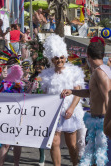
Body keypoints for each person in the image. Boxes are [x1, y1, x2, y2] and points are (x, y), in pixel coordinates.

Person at [62, 38, 111, 166]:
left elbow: (108, 98)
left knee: (101, 160)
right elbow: (91, 93)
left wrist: (107, 126)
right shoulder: (98, 71)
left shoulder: (101, 73)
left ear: (88, 56)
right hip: (96, 122)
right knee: (94, 160)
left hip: (102, 123)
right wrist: (72, 91)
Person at [39, 34, 85, 166]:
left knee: (71, 145)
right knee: (54, 143)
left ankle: (75, 164)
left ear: (65, 57)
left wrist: (71, 108)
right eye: (56, 58)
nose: (59, 60)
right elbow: (44, 95)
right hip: (53, 114)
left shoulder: (74, 72)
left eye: (61, 58)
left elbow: (78, 93)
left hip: (69, 112)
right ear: (52, 60)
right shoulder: (46, 75)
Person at [0, 57, 23, 166]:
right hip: (5, 113)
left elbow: (25, 95)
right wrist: (0, 78)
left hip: (19, 112)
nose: (12, 69)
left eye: (15, 66)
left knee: (18, 142)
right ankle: (1, 164)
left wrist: (31, 88)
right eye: (10, 66)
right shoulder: (2, 76)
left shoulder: (21, 79)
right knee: (6, 143)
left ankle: (16, 164)